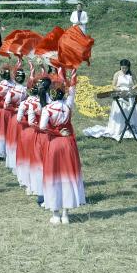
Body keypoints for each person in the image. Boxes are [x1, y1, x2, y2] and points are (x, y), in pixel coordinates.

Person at [39, 71, 85, 224]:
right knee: (67, 177)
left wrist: (56, 132)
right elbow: (72, 92)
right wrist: (72, 75)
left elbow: (42, 127)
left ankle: (55, 214)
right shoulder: (68, 106)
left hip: (54, 143)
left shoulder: (47, 109)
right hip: (67, 144)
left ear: (52, 94)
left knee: (53, 177)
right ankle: (65, 214)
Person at [84, 59, 137, 140]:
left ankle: (130, 127)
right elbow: (113, 85)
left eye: (126, 68)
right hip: (120, 94)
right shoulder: (117, 74)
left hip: (129, 94)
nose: (124, 70)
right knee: (121, 111)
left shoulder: (131, 74)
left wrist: (132, 88)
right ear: (120, 67)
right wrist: (119, 89)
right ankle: (119, 129)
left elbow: (136, 84)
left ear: (128, 67)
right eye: (123, 68)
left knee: (130, 111)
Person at [2, 67, 28, 171]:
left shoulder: (11, 91)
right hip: (24, 118)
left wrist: (15, 109)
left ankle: (12, 162)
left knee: (13, 140)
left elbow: (6, 106)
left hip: (14, 117)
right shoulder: (26, 90)